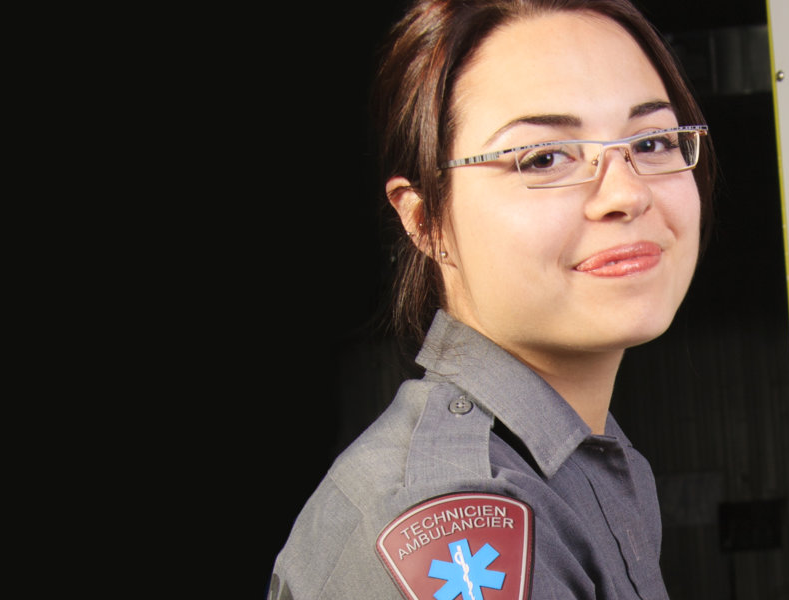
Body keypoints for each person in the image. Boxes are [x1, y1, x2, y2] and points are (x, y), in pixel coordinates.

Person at [270, 1, 711, 598]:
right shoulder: (454, 524)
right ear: (426, 220)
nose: (626, 193)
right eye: (545, 157)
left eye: (654, 140)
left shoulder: (585, 461)